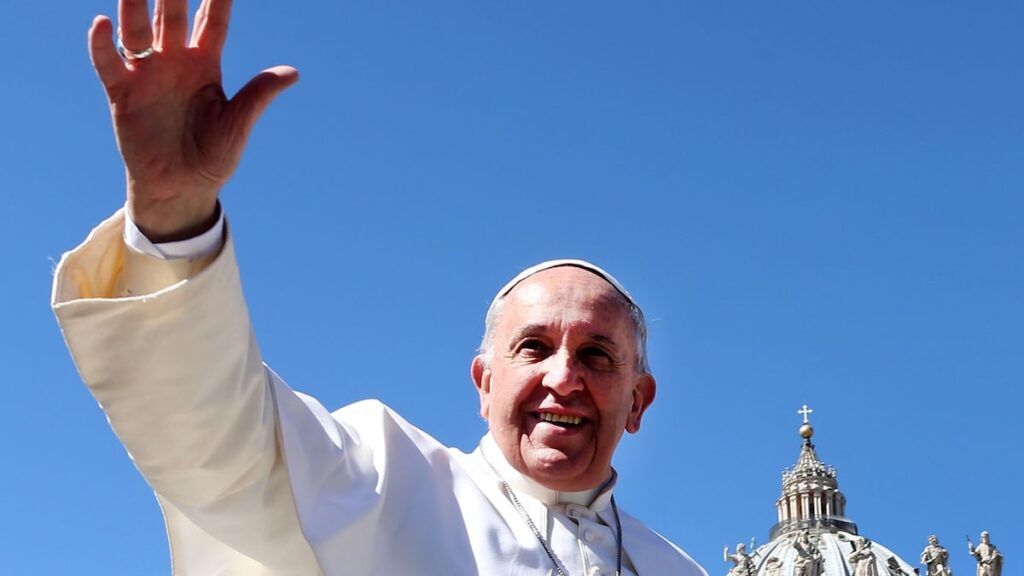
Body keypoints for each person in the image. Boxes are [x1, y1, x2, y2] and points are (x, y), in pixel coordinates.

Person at [51, 1, 708, 575]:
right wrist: (174, 220)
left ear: (638, 400)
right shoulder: (384, 479)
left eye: (597, 355)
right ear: (484, 383)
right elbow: (216, 435)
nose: (563, 378)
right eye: (533, 348)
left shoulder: (677, 569)